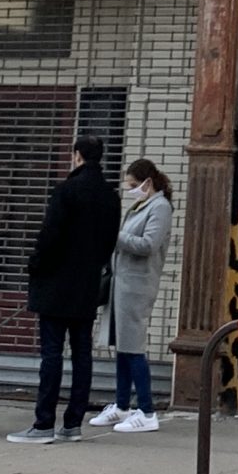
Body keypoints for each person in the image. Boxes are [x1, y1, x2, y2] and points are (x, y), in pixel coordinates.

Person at [7, 137, 120, 445]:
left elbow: (50, 235)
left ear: (77, 155)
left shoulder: (66, 191)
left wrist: (35, 265)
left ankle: (44, 422)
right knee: (82, 354)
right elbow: (109, 242)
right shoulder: (110, 196)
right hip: (86, 285)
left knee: (52, 353)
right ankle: (73, 423)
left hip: (56, 284)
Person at [93, 159, 174, 433]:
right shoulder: (141, 206)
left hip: (137, 286)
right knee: (123, 346)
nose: (131, 190)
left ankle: (147, 410)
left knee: (133, 346)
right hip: (123, 283)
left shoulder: (160, 207)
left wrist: (114, 237)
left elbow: (149, 244)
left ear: (147, 183)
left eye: (133, 185)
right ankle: (122, 404)